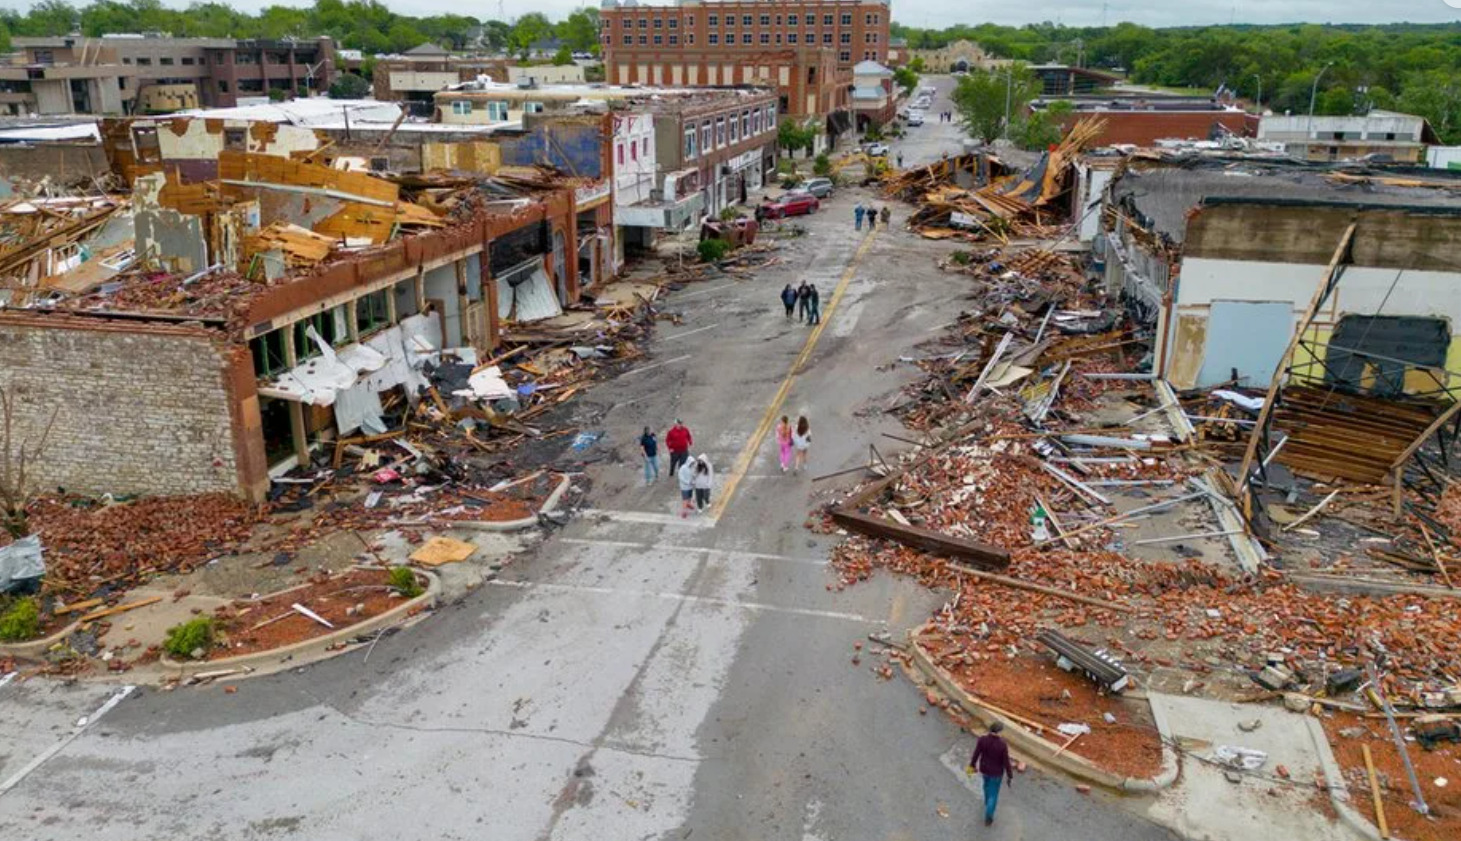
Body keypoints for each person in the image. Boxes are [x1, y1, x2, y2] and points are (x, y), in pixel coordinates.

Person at [968, 721, 1015, 826]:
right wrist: (1010, 775)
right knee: (993, 795)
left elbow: (976, 754)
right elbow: (1006, 762)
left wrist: (972, 766)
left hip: (984, 769)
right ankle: (989, 816)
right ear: (999, 732)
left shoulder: (982, 740)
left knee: (986, 785)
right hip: (996, 773)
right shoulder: (1002, 745)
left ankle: (986, 801)